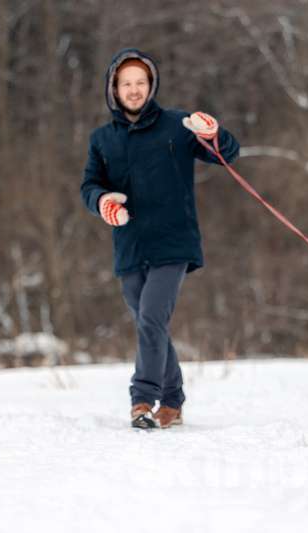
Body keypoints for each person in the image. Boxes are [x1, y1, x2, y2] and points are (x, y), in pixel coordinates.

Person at [80, 48, 240, 429]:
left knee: (152, 316)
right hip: (130, 243)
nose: (134, 90)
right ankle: (172, 400)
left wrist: (215, 133)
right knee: (149, 323)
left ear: (151, 86)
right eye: (126, 84)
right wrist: (102, 202)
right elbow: (89, 185)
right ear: (114, 90)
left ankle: (143, 399)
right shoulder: (102, 139)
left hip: (173, 241)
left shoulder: (176, 124)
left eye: (140, 83)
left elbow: (227, 155)